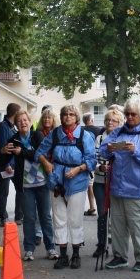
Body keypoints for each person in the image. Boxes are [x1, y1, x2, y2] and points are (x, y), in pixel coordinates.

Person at [99, 98, 140, 272]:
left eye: (134, 114)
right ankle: (120, 256)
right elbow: (102, 150)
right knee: (117, 225)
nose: (130, 117)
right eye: (127, 114)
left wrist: (135, 151)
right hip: (117, 186)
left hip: (137, 188)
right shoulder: (118, 131)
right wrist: (108, 149)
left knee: (138, 226)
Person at [36, 105, 97, 269]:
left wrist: (78, 169)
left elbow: (92, 160)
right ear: (61, 117)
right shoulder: (55, 134)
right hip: (56, 181)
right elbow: (39, 152)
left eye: (71, 114)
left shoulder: (84, 136)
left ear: (76, 118)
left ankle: (76, 254)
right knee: (59, 219)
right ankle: (63, 255)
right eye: (65, 114)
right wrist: (46, 163)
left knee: (75, 219)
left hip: (77, 182)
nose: (68, 117)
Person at [3, 111, 57, 261]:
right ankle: (28, 249)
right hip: (25, 186)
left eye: (25, 120)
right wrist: (4, 154)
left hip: (42, 183)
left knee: (45, 217)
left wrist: (22, 152)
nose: (23, 123)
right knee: (29, 218)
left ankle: (51, 248)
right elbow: (5, 158)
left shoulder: (37, 135)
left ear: (29, 121)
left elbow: (40, 155)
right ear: (16, 124)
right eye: (19, 121)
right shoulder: (13, 139)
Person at [91, 108, 124, 258]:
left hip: (116, 182)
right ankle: (101, 244)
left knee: (117, 216)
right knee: (102, 214)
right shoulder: (99, 138)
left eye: (113, 120)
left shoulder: (122, 138)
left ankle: (118, 247)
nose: (110, 123)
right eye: (107, 120)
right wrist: (100, 167)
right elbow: (92, 158)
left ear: (119, 123)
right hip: (100, 181)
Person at [0, 103, 21, 227]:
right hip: (6, 165)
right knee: (4, 191)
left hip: (15, 165)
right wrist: (7, 164)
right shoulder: (3, 127)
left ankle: (19, 216)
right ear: (15, 114)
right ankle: (3, 218)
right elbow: (3, 147)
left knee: (20, 189)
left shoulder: (13, 128)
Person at [82, 112, 104, 217]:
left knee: (89, 184)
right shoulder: (99, 130)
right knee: (93, 183)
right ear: (92, 120)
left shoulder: (81, 130)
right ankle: (93, 207)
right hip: (97, 160)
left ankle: (92, 207)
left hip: (85, 161)